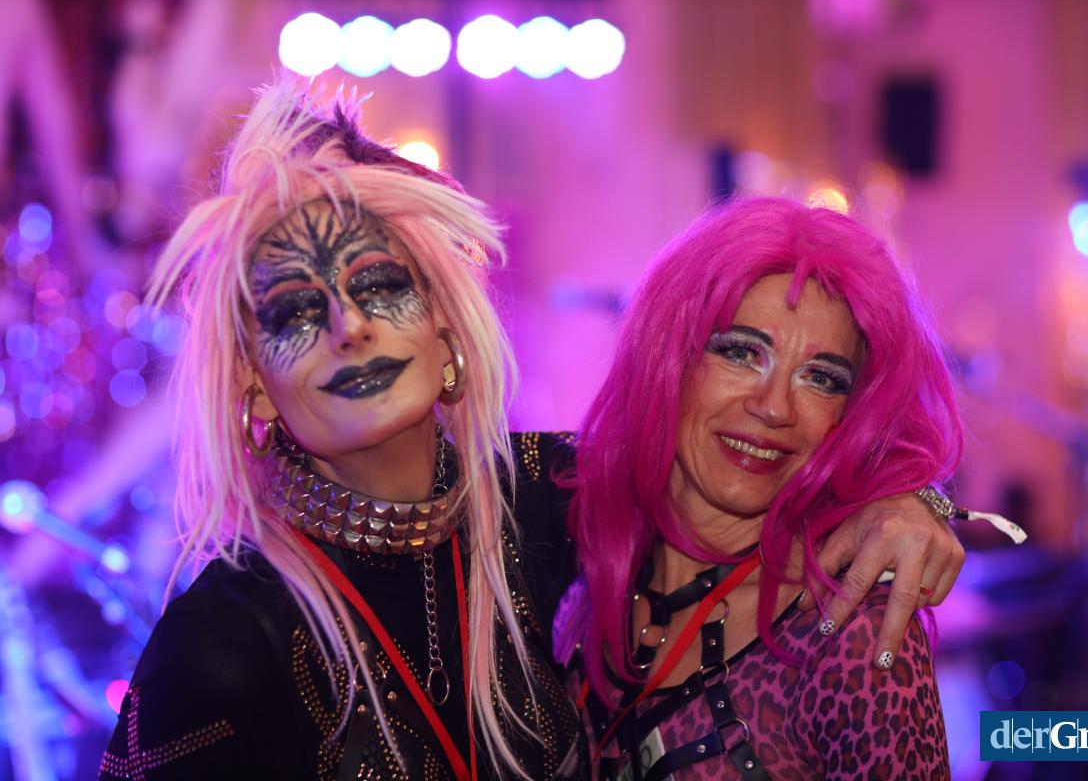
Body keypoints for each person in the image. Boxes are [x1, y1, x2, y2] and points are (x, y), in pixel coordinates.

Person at [99, 80, 968, 780]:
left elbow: (742, 466)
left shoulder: (545, 503)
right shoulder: (221, 646)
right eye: (294, 311)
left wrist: (908, 503)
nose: (347, 327)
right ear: (253, 386)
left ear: (449, 330)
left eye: (381, 286)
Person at [560, 197, 1000, 780]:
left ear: (852, 416)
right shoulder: (573, 567)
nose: (773, 408)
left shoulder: (853, 635)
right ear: (671, 356)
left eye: (820, 378)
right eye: (742, 352)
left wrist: (917, 494)